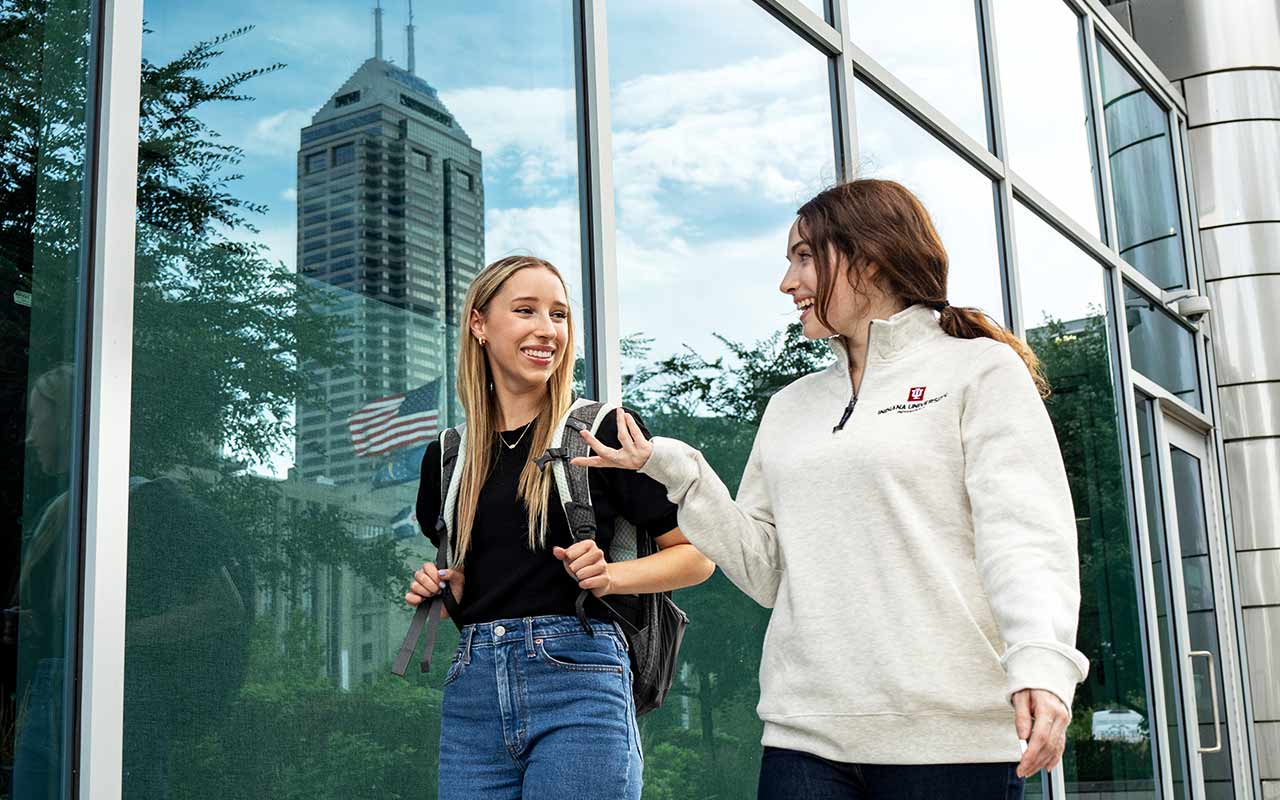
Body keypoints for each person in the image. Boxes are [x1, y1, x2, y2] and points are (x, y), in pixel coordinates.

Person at [574, 179, 1090, 800]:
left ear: (869, 256)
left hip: (948, 738)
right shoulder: (791, 406)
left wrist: (1041, 661)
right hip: (805, 737)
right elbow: (766, 571)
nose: (786, 283)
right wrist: (679, 471)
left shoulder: (978, 370)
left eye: (803, 257)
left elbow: (1026, 536)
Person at [405, 255, 714, 800]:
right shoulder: (448, 457)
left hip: (581, 679)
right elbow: (478, 592)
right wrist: (442, 586)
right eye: (525, 311)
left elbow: (697, 557)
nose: (547, 330)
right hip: (473, 687)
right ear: (479, 324)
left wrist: (610, 579)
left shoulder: (602, 433)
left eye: (559, 315)